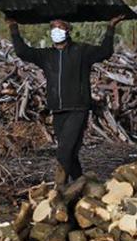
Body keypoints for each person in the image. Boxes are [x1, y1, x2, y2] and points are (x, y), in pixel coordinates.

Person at [9, 14, 124, 183]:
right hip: (57, 110)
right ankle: (81, 185)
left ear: (68, 30)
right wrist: (13, 27)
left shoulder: (81, 51)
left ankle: (63, 186)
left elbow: (105, 51)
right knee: (71, 154)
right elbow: (22, 52)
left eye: (60, 27)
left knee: (63, 153)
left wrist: (111, 27)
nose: (56, 30)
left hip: (78, 109)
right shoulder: (46, 55)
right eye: (53, 27)